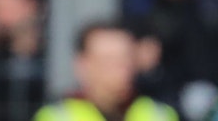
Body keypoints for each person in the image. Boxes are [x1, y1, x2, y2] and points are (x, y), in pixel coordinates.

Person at [32, 20, 178, 121]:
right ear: (83, 65)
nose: (122, 69)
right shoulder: (57, 117)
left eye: (126, 59)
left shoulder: (159, 114)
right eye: (108, 60)